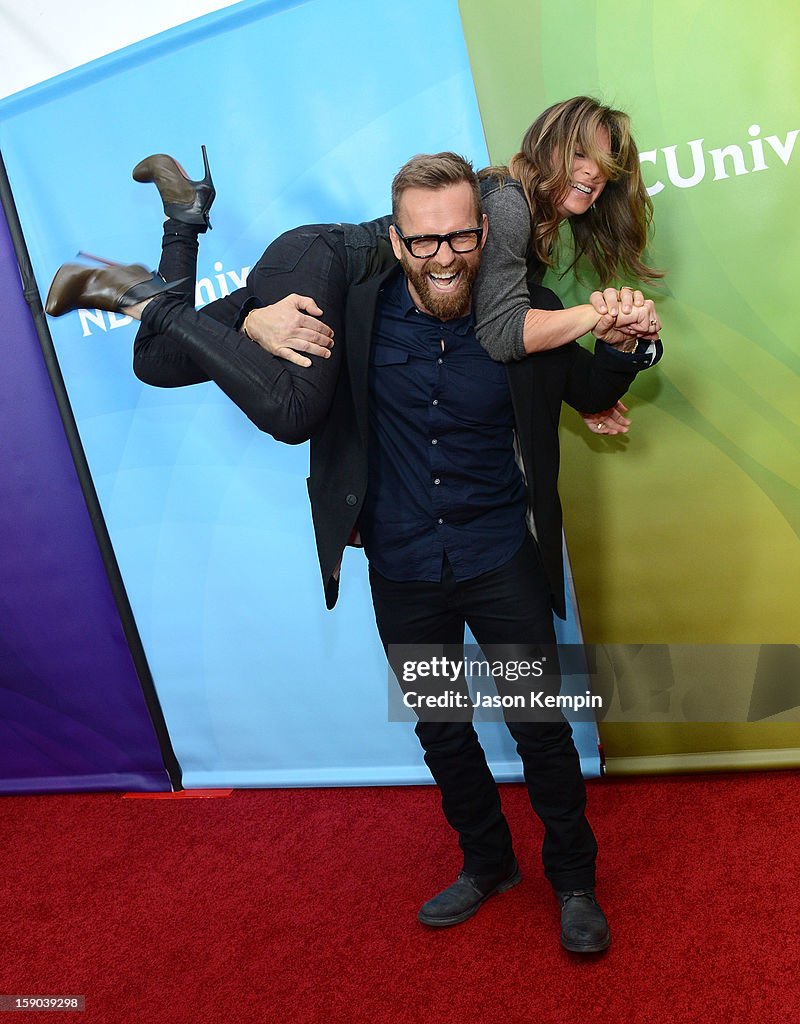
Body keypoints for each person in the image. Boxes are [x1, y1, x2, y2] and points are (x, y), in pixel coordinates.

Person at [46, 146, 661, 955]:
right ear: (396, 241)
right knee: (441, 728)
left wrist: (632, 337)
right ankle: (488, 865)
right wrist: (256, 318)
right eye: (424, 242)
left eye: (461, 238)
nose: (445, 258)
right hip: (403, 568)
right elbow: (177, 364)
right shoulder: (352, 307)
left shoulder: (525, 313)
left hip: (501, 560)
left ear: (486, 230)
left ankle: (574, 882)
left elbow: (592, 390)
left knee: (541, 726)